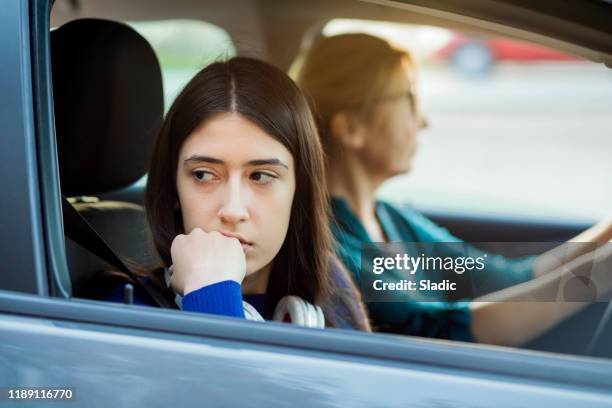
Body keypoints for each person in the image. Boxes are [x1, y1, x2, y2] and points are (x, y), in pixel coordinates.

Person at [295, 33, 612, 345]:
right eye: (409, 99)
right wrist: (601, 272)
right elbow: (440, 331)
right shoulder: (329, 246)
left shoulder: (391, 218)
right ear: (351, 128)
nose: (422, 122)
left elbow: (504, 279)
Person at [107, 57, 370, 331]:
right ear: (173, 187)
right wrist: (210, 294)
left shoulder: (332, 291)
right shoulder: (129, 314)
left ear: (299, 191)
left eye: (261, 176)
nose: (232, 211)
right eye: (203, 175)